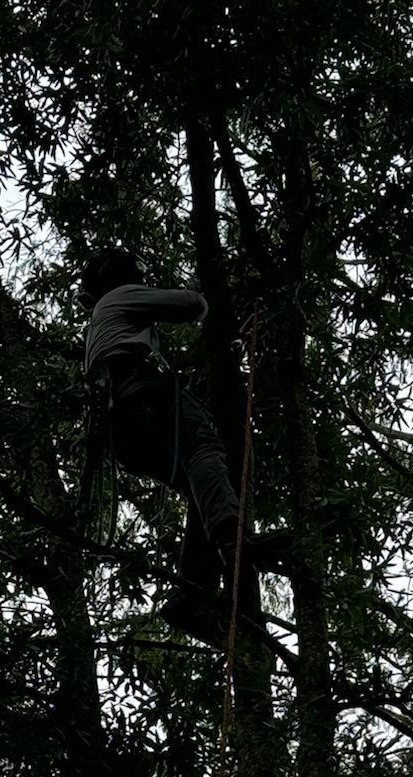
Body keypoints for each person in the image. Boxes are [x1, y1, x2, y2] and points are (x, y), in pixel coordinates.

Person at [79, 246, 282, 638]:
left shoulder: (103, 325)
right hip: (142, 395)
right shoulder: (120, 297)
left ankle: (191, 599)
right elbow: (193, 305)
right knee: (204, 450)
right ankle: (232, 539)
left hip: (122, 425)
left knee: (198, 490)